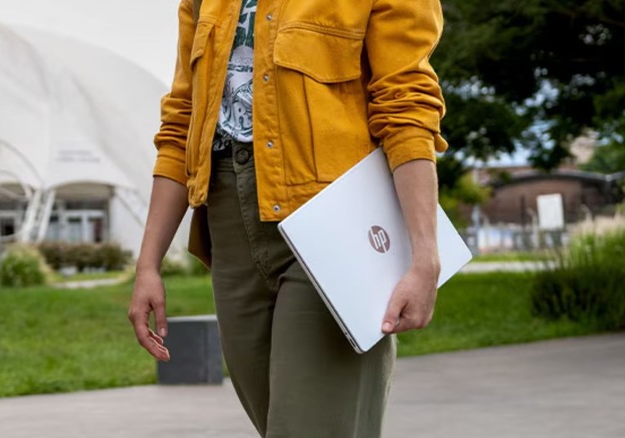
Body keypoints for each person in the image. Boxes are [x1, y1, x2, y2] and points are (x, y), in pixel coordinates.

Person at [129, 0, 446, 436]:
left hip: (334, 222)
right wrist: (149, 263)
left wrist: (424, 257)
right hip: (228, 228)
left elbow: (406, 108)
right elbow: (181, 121)